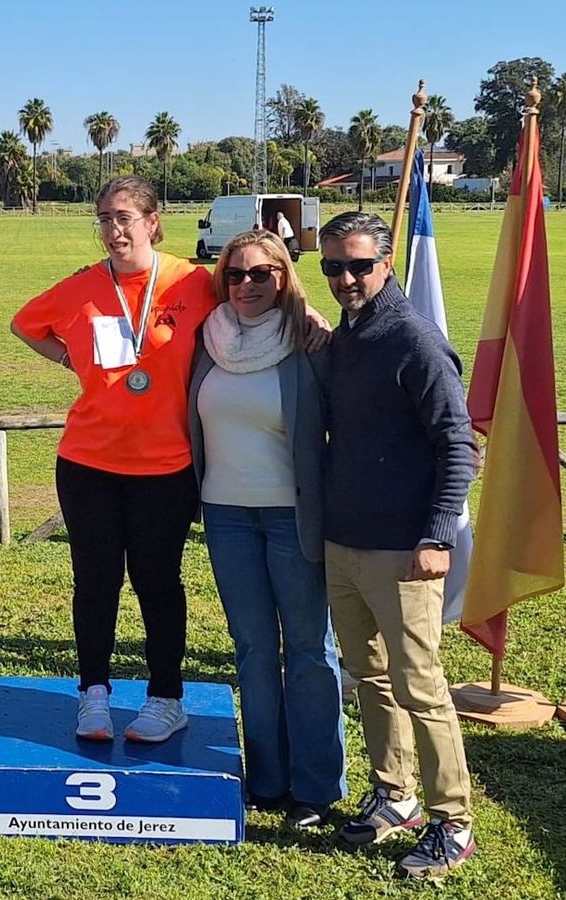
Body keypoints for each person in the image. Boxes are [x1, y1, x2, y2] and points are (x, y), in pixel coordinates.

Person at [10, 175, 218, 742]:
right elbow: (24, 324)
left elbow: (260, 293)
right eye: (104, 218)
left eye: (124, 216)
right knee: (95, 581)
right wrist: (72, 360)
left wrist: (310, 319)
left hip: (165, 466)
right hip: (88, 463)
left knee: (158, 583)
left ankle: (166, 697)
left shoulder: (193, 281)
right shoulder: (81, 287)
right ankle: (93, 694)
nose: (113, 229)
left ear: (153, 222)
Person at [317, 211, 477, 879]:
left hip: (404, 550)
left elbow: (459, 445)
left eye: (359, 265)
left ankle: (454, 821)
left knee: (421, 686)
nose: (347, 279)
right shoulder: (349, 336)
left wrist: (437, 537)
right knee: (371, 679)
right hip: (345, 542)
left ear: (387, 264)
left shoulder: (414, 340)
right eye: (332, 267)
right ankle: (396, 794)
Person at [189, 229, 345, 826]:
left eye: (261, 274)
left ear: (284, 276)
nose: (247, 285)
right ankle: (268, 780)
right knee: (253, 650)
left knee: (308, 651)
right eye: (235, 274)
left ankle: (315, 788)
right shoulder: (209, 338)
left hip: (293, 518)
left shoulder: (311, 339)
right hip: (226, 516)